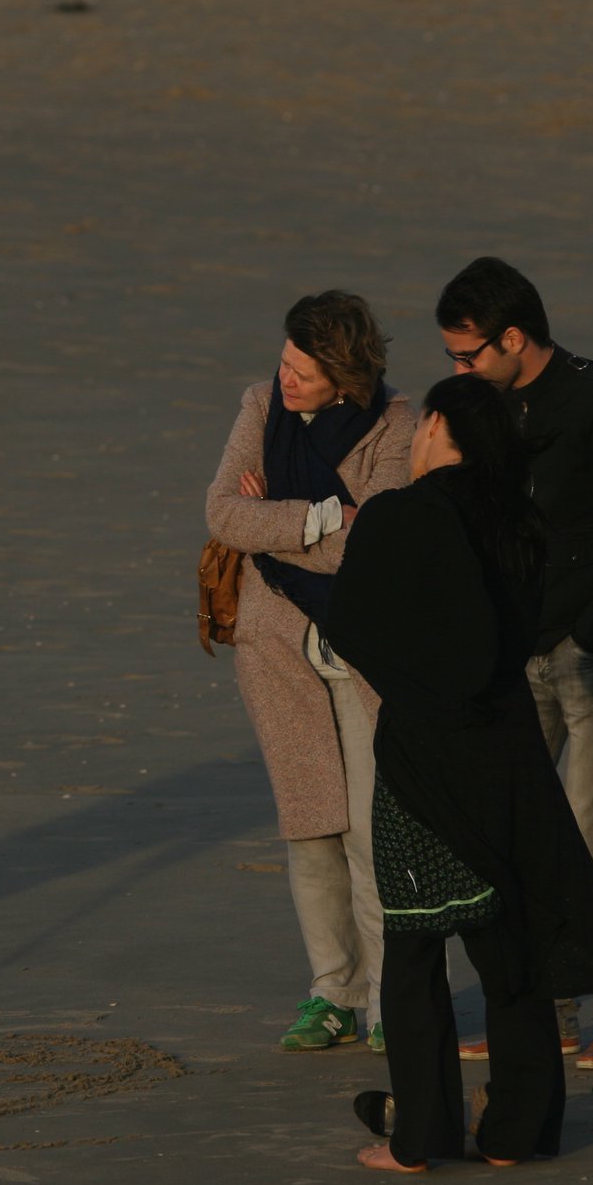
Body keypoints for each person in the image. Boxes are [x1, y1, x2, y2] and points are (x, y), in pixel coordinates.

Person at [326, 374, 593, 1170]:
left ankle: (421, 1137)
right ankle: (520, 1130)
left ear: (437, 428)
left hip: (425, 759)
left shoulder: (403, 515)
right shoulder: (520, 524)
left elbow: (350, 625)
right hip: (508, 755)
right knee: (511, 948)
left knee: (412, 951)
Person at [434, 257, 593, 1070]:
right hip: (514, 652)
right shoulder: (487, 411)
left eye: (467, 356)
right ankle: (546, 1012)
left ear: (513, 337)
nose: (458, 372)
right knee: (517, 835)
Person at [205, 292, 416, 1053]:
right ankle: (332, 990)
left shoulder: (397, 425)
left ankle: (392, 998)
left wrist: (279, 527)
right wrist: (324, 517)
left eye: (305, 370)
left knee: (369, 832)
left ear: (345, 375)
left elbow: (385, 536)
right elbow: (224, 514)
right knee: (310, 826)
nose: (287, 378)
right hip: (278, 651)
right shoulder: (260, 405)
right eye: (287, 361)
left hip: (363, 651)